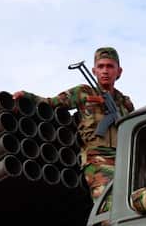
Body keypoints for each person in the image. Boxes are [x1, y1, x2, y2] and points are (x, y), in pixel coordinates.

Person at [15, 46, 136, 203]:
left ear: (119, 71)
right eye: (101, 67)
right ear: (94, 71)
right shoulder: (83, 92)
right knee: (109, 206)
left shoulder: (124, 102)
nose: (105, 71)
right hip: (98, 158)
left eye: (110, 66)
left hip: (124, 158)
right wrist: (27, 96)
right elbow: (52, 103)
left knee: (131, 204)